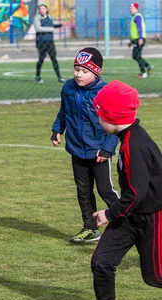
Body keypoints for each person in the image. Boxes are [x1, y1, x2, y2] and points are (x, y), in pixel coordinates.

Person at [78, 80, 162, 300]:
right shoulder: (125, 138)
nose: (97, 119)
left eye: (99, 114)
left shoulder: (135, 144)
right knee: (102, 261)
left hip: (151, 216)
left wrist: (108, 213)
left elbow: (137, 192)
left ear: (111, 116)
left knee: (155, 276)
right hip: (130, 215)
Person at [52, 47, 119, 244]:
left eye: (84, 71)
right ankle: (90, 228)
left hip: (99, 151)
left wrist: (107, 148)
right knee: (83, 191)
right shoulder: (68, 88)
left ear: (96, 72)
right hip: (76, 149)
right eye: (76, 69)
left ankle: (127, 221)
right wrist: (57, 129)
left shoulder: (104, 92)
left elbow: (115, 123)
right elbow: (64, 111)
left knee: (105, 190)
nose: (78, 74)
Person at [33, 4, 64, 84]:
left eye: (43, 9)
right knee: (41, 59)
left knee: (54, 59)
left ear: (46, 9)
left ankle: (59, 77)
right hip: (41, 42)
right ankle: (38, 76)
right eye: (40, 9)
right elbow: (38, 28)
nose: (42, 10)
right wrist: (50, 29)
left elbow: (52, 25)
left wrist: (59, 25)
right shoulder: (37, 18)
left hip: (50, 41)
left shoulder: (49, 17)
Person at [129, 3, 153, 79]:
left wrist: (140, 38)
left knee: (137, 56)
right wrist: (131, 41)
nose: (130, 9)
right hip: (135, 40)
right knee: (135, 56)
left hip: (139, 39)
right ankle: (148, 66)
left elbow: (140, 28)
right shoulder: (134, 17)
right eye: (130, 8)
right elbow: (134, 31)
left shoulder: (137, 17)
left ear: (136, 9)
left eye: (132, 8)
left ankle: (143, 73)